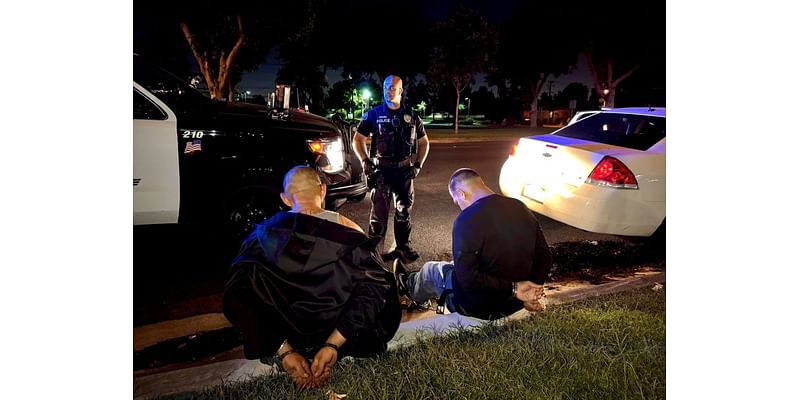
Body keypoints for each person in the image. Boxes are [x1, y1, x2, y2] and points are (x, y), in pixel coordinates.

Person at [223, 166, 401, 388]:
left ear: (285, 199)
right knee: (380, 285)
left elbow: (236, 300)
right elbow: (375, 293)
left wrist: (283, 350)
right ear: (323, 191)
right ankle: (332, 344)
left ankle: (283, 350)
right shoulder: (352, 234)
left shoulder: (260, 237)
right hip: (340, 333)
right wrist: (333, 345)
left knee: (244, 287)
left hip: (286, 334)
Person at [396, 168, 552, 320]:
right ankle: (418, 293)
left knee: (431, 270)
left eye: (456, 201)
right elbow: (545, 257)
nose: (459, 206)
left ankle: (407, 287)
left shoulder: (466, 220)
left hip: (479, 307)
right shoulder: (520, 207)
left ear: (462, 194)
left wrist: (514, 288)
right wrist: (532, 290)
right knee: (458, 264)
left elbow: (468, 279)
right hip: (515, 303)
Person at [352, 75, 430, 262]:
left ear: (401, 90)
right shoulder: (374, 114)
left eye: (393, 87)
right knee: (378, 216)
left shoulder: (412, 116)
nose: (389, 90)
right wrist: (364, 161)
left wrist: (418, 165)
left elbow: (424, 142)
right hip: (381, 172)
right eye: (386, 86)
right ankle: (373, 253)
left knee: (403, 212)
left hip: (404, 172)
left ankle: (403, 247)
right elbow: (358, 139)